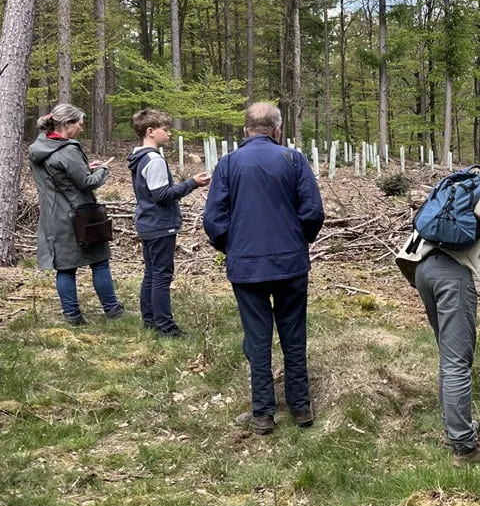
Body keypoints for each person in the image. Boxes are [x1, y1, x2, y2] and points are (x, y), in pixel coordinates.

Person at [397, 155, 480, 467]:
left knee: (448, 356)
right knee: (458, 361)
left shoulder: (469, 179)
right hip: (454, 275)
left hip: (424, 269)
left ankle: (453, 430)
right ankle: (464, 447)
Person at [203, 103, 325, 435]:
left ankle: (263, 413)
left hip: (247, 266)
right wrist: (298, 240)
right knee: (293, 334)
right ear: (277, 129)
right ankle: (300, 407)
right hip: (289, 263)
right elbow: (313, 211)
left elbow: (213, 220)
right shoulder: (293, 160)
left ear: (246, 130)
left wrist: (233, 247)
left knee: (257, 338)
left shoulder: (228, 164)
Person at [28, 103, 124, 325]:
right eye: (79, 124)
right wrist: (103, 169)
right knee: (99, 261)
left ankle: (72, 315)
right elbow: (86, 184)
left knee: (65, 267)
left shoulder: (40, 146)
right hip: (80, 217)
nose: (81, 128)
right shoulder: (68, 150)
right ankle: (112, 309)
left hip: (53, 218)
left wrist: (85, 167)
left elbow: (60, 175)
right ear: (67, 124)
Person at [127, 109, 210, 338]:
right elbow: (162, 194)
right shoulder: (153, 160)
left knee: (152, 273)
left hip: (148, 223)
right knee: (161, 276)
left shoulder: (139, 157)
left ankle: (151, 320)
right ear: (150, 132)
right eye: (166, 129)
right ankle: (166, 327)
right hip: (159, 225)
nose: (169, 134)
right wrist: (192, 183)